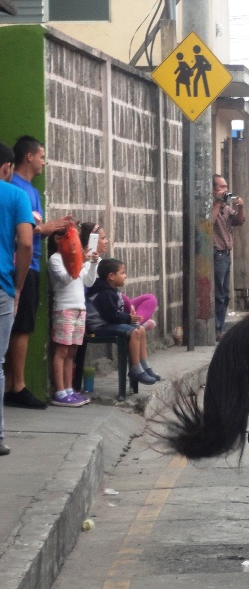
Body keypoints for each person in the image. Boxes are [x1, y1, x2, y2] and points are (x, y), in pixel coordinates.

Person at [3, 136, 75, 410]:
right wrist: (45, 228)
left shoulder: (31, 191)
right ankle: (17, 385)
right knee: (19, 328)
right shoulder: (15, 189)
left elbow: (33, 229)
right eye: (42, 155)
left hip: (31, 262)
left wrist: (52, 229)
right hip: (19, 265)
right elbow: (21, 229)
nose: (44, 161)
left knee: (21, 327)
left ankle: (11, 383)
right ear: (28, 157)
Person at [0, 143, 34, 454]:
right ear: (7, 167)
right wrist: (18, 283)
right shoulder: (15, 195)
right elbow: (26, 243)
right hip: (2, 287)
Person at [47, 225, 100, 406]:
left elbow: (89, 281)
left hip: (80, 308)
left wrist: (92, 263)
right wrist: (78, 261)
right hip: (64, 308)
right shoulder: (55, 259)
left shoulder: (77, 259)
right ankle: (60, 391)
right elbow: (66, 278)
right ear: (58, 239)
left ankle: (70, 389)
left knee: (72, 351)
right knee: (61, 350)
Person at [86, 259, 160, 385]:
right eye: (123, 273)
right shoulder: (105, 293)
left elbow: (115, 314)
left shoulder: (112, 290)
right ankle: (135, 369)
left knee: (140, 329)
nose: (125, 276)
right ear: (111, 276)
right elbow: (111, 316)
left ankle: (144, 366)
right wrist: (128, 318)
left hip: (108, 323)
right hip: (100, 327)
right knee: (134, 331)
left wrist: (128, 317)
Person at [212, 174, 245, 341]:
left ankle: (219, 327)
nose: (225, 190)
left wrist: (240, 207)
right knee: (218, 294)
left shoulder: (226, 208)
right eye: (221, 187)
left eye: (226, 187)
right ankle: (215, 329)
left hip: (225, 255)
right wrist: (218, 202)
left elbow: (239, 221)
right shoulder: (213, 206)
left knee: (225, 294)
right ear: (213, 190)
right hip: (215, 254)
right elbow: (207, 222)